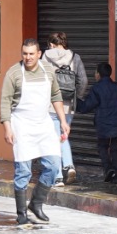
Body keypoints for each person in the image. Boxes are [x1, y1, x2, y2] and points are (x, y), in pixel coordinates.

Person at [0, 37, 68, 225]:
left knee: (53, 166)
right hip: (21, 124)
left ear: (39, 54)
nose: (27, 57)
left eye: (31, 54)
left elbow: (56, 95)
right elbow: (5, 102)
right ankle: (21, 214)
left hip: (43, 123)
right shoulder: (14, 73)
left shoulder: (49, 70)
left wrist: (63, 120)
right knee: (23, 171)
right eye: (24, 54)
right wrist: (7, 128)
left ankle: (36, 204)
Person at [43, 31, 89, 184]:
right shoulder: (75, 57)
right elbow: (83, 81)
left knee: (54, 139)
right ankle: (68, 166)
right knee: (63, 136)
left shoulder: (46, 56)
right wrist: (77, 97)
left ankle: (57, 176)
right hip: (68, 105)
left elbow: (41, 80)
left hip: (50, 105)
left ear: (51, 44)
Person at [76, 59, 117, 183]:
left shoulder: (97, 88)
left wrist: (75, 100)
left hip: (104, 125)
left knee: (102, 147)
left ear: (98, 74)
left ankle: (108, 169)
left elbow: (86, 106)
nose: (95, 75)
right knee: (115, 149)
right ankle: (115, 174)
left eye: (95, 72)